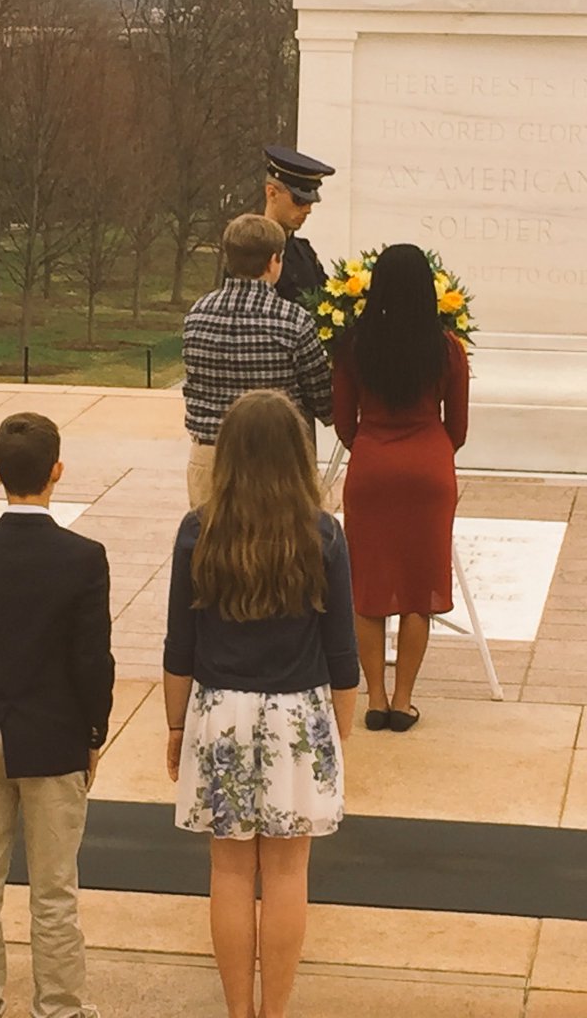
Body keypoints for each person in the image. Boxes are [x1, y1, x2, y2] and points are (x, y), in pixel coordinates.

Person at [164, 390, 358, 1018]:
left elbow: (179, 648)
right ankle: (274, 1011)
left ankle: (237, 1011)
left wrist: (174, 726)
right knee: (284, 875)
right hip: (297, 713)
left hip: (219, 713)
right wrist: (340, 729)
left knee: (227, 873)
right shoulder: (322, 534)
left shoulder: (199, 531)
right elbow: (341, 650)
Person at [0, 411, 114, 1018]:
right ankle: (60, 1006)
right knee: (55, 887)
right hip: (56, 734)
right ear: (57, 471)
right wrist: (95, 729)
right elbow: (93, 660)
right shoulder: (83, 556)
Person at [332, 243, 470, 732]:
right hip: (429, 470)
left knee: (368, 588)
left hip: (371, 468)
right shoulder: (447, 348)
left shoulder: (352, 346)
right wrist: (429, 454)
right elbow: (458, 428)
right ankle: (404, 700)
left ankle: (374, 697)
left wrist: (371, 447)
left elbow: (342, 421)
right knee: (418, 588)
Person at [183, 213, 332, 509]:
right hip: (279, 463)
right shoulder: (294, 321)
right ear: (274, 260)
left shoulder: (196, 315)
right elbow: (325, 402)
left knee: (214, 551)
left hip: (212, 457)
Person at [263, 144, 335, 303]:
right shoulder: (248, 250)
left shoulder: (305, 254)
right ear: (272, 193)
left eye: (310, 202)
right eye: (300, 200)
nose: (307, 210)